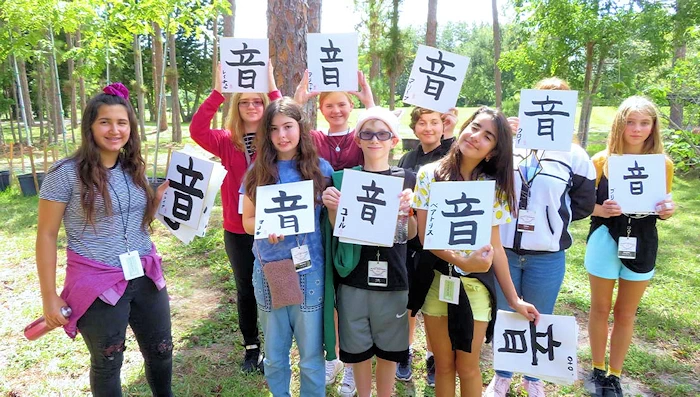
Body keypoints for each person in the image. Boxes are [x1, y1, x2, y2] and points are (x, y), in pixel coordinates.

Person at [35, 83, 173, 396]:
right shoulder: (65, 174)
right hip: (97, 282)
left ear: (131, 127)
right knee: (108, 360)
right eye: (105, 122)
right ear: (90, 127)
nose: (115, 129)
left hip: (145, 274)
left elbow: (134, 218)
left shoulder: (133, 169)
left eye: (122, 122)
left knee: (162, 351)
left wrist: (156, 200)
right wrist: (48, 296)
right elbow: (46, 234)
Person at [410, 107, 540, 397]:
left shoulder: (492, 188)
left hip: (476, 287)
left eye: (488, 136)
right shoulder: (429, 175)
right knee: (443, 366)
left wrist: (515, 299)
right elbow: (424, 236)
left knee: (468, 367)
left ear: (493, 151)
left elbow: (497, 249)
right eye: (474, 127)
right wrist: (461, 260)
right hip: (436, 282)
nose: (476, 136)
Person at [485, 77, 597, 396]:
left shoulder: (574, 154)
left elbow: (583, 202)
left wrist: (550, 220)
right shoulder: (511, 147)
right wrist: (503, 135)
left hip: (546, 256)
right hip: (504, 250)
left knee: (539, 315)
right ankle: (502, 375)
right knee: (506, 314)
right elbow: (484, 177)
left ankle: (533, 377)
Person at [189, 64, 281, 373]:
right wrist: (217, 92)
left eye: (258, 101)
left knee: (280, 282)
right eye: (245, 101)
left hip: (275, 225)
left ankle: (277, 345)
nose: (252, 106)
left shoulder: (277, 138)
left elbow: (291, 121)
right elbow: (197, 130)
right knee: (246, 287)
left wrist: (272, 87)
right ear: (236, 106)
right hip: (237, 228)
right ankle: (252, 347)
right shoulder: (226, 140)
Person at [583, 96, 675, 397]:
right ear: (619, 125)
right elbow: (584, 207)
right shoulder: (600, 160)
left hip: (643, 243)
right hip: (605, 240)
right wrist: (601, 210)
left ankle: (615, 375)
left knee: (625, 313)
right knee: (599, 308)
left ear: (653, 127)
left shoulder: (663, 164)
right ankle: (598, 370)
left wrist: (667, 210)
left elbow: (663, 204)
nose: (636, 129)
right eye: (630, 122)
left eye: (644, 123)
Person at [241, 97, 333, 397]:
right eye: (275, 129)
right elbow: (247, 222)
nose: (282, 135)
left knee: (310, 355)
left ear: (300, 128)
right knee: (276, 353)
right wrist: (266, 229)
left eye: (288, 127)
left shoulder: (321, 169)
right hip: (272, 269)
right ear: (266, 134)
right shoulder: (258, 171)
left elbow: (330, 220)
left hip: (310, 270)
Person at [322, 107, 416, 397]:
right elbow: (337, 227)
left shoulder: (409, 180)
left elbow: (412, 235)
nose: (375, 139)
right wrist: (332, 206)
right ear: (358, 140)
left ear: (394, 140)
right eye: (367, 133)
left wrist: (407, 212)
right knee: (357, 349)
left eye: (382, 134)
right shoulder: (342, 179)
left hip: (395, 276)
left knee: (390, 349)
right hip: (353, 276)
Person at [294, 69, 375, 395]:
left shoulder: (361, 136)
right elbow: (291, 124)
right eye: (330, 105)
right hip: (322, 223)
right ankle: (336, 355)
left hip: (360, 222)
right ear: (322, 109)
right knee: (330, 288)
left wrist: (366, 97)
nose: (337, 110)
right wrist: (304, 96)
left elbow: (378, 129)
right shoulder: (315, 139)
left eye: (343, 104)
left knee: (355, 292)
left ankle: (355, 363)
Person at [396, 106, 458, 385]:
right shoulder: (407, 158)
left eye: (435, 122)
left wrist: (453, 130)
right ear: (414, 127)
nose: (429, 128)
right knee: (410, 302)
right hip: (410, 240)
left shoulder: (452, 155)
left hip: (440, 239)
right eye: (422, 123)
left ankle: (434, 356)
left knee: (436, 303)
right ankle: (405, 352)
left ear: (444, 126)